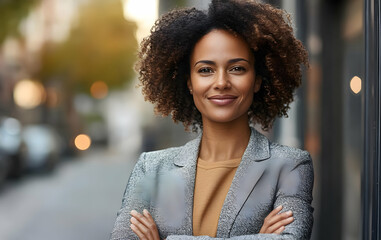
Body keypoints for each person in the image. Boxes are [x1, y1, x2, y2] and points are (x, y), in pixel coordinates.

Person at [111, 0, 313, 239]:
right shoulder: (151, 168)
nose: (221, 82)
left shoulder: (290, 166)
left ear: (258, 80)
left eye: (237, 68)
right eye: (205, 70)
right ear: (189, 83)